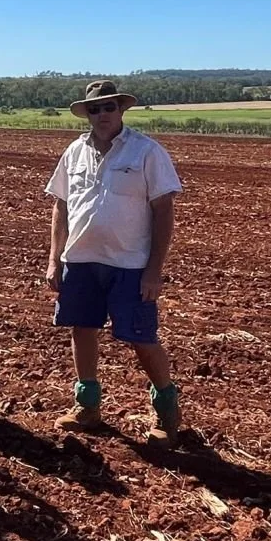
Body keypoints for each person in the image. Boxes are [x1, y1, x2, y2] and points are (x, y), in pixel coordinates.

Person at [43, 80, 184, 444]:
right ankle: (87, 406)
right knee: (82, 328)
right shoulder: (74, 152)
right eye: (95, 109)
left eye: (109, 107)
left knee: (141, 337)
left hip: (130, 265)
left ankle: (167, 410)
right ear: (87, 113)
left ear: (121, 109)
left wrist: (154, 271)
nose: (102, 114)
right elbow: (61, 206)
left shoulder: (146, 152)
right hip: (81, 260)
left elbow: (164, 210)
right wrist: (54, 259)